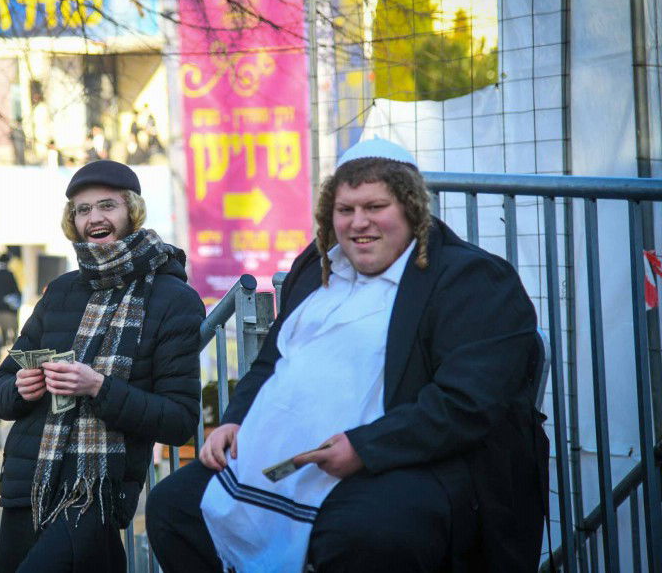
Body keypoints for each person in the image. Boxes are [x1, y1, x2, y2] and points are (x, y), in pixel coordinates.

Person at [147, 138, 548, 573]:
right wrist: (235, 420)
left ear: (413, 208)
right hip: (297, 451)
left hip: (415, 459)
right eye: (346, 209)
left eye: (376, 206)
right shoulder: (316, 267)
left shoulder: (472, 278)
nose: (359, 222)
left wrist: (365, 447)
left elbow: (467, 401)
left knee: (359, 534)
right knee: (175, 506)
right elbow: (273, 360)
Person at [0, 160, 205, 572]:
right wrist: (20, 388)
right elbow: (0, 390)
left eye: (107, 205)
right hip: (26, 487)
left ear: (132, 211)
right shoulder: (60, 291)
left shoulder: (174, 299)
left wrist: (97, 387)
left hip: (94, 494)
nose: (94, 219)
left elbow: (179, 421)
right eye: (83, 210)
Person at [0, 251, 22, 345]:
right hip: (10, 309)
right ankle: (14, 344)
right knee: (14, 330)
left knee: (3, 330)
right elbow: (16, 290)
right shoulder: (10, 275)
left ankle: (4, 342)